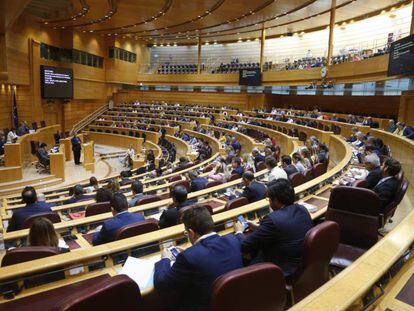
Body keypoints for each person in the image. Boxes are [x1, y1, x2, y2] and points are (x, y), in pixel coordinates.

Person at [154, 206, 243, 311]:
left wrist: (165, 259)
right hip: (233, 303)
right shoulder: (233, 240)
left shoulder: (188, 257)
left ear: (191, 233)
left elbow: (162, 284)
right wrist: (192, 250)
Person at [234, 179, 313, 277]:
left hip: (282, 270)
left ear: (276, 200)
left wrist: (239, 231)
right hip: (303, 264)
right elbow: (284, 230)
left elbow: (245, 245)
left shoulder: (272, 220)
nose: (269, 202)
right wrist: (259, 228)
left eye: (269, 199)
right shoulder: (302, 209)